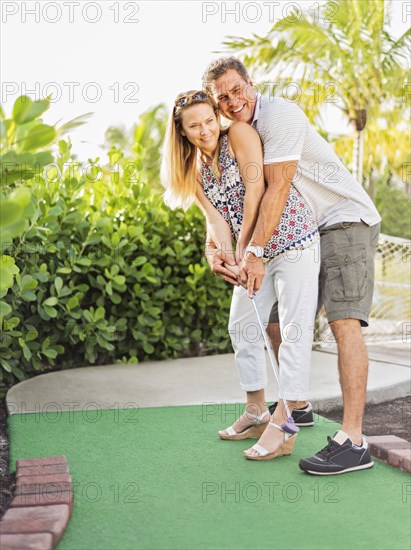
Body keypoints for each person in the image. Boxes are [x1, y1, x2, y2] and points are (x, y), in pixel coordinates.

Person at [202, 56, 381, 475]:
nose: (232, 102)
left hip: (341, 219)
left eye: (237, 90)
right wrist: (217, 250)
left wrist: (254, 252)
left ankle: (353, 441)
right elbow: (232, 201)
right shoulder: (234, 135)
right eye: (222, 97)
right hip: (300, 235)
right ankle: (295, 407)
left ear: (251, 83)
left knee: (344, 322)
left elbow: (277, 187)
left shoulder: (279, 116)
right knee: (273, 322)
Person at [161, 90, 320, 461]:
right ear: (182, 132)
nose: (205, 130)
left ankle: (285, 427)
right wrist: (219, 255)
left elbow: (255, 191)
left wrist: (249, 251)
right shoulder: (193, 168)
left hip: (293, 240)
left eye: (208, 120)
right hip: (253, 254)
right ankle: (255, 410)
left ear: (218, 118)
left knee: (293, 331)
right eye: (194, 126)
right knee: (242, 326)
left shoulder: (239, 135)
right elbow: (215, 220)